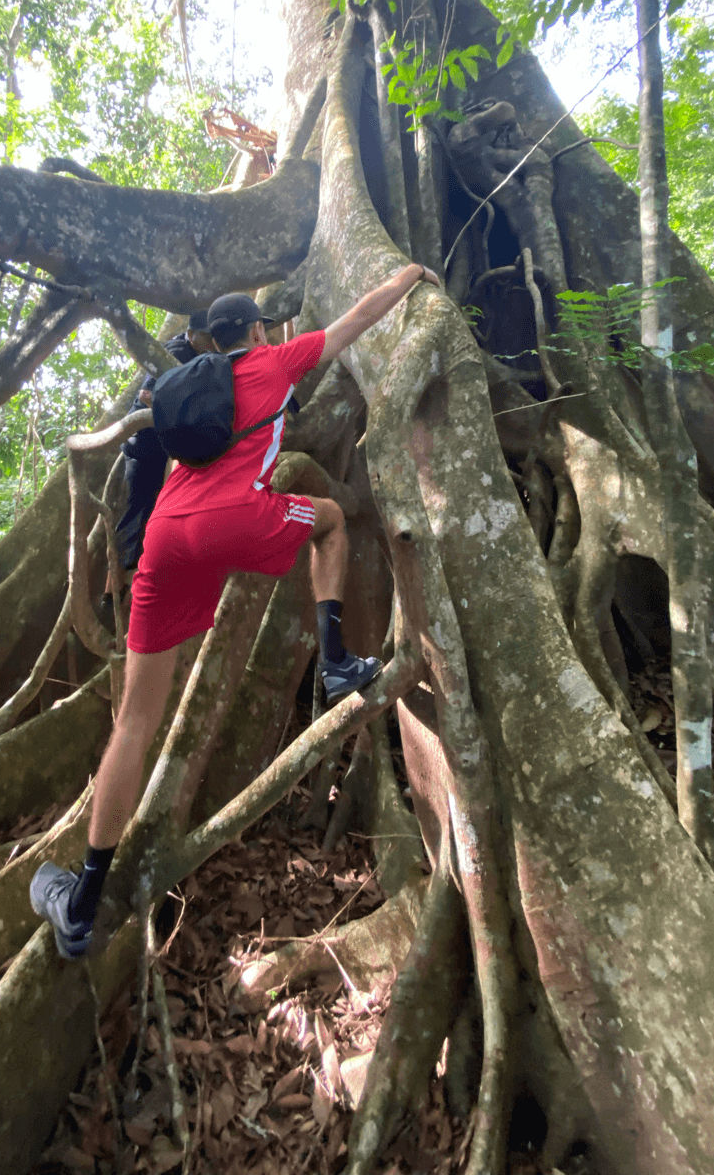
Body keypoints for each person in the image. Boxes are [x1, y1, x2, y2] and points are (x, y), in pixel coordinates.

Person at [32, 262, 441, 957]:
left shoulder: (186, 386)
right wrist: (409, 274)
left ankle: (82, 900)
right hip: (237, 518)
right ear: (255, 330)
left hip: (167, 533)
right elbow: (358, 318)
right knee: (335, 519)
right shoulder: (276, 361)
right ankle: (338, 660)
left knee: (134, 721)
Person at [113, 312, 215, 575]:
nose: (209, 342)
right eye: (204, 336)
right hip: (143, 443)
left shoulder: (194, 354)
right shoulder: (178, 352)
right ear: (191, 335)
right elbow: (148, 395)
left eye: (211, 336)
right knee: (138, 507)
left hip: (158, 444)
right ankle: (120, 581)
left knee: (148, 505)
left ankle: (131, 573)